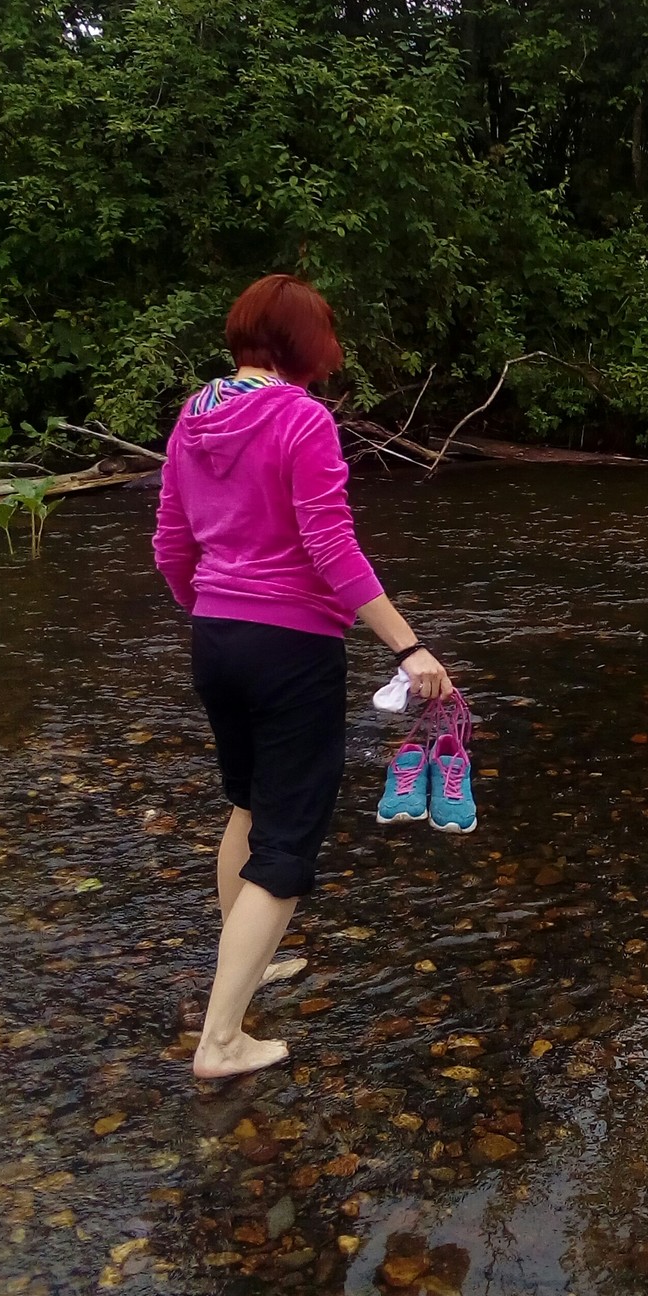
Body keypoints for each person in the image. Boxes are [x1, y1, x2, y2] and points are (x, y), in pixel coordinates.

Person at [153, 274, 454, 1080]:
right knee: (287, 844)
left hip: (215, 636)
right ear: (305, 344)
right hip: (290, 650)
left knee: (248, 805)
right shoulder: (302, 418)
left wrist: (216, 609)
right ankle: (220, 1040)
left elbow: (169, 544)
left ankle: (244, 964)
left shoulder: (196, 413)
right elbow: (331, 548)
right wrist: (408, 647)